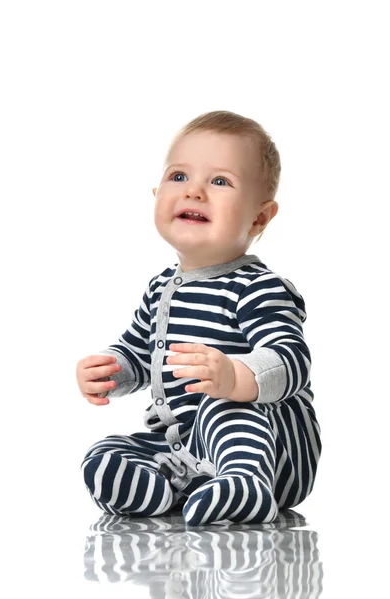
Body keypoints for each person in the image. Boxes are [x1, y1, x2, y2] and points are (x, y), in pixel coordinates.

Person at [76, 110, 321, 526]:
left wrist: (235, 377)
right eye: (178, 177)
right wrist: (112, 369)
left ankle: (247, 485)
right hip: (187, 449)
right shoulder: (160, 287)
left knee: (222, 406)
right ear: (156, 194)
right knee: (104, 454)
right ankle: (162, 490)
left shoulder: (258, 287)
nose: (194, 192)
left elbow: (291, 359)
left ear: (259, 218)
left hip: (271, 450)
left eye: (220, 181)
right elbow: (140, 352)